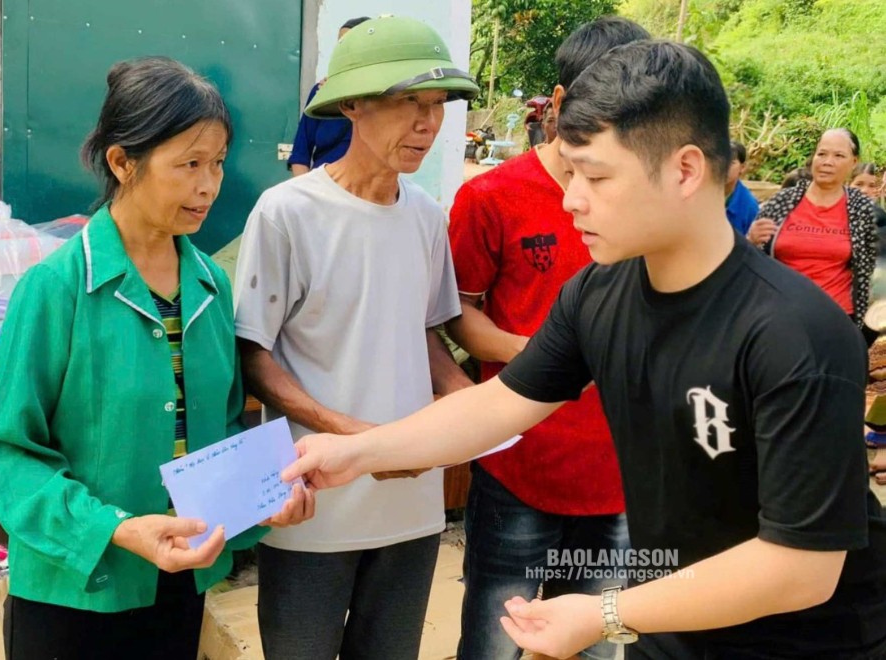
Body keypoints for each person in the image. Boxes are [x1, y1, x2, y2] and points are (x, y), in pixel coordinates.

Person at [281, 41, 886, 659]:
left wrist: (607, 611)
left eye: (596, 176)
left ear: (684, 170)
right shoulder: (600, 292)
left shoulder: (794, 334)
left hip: (809, 645)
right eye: (569, 173)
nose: (572, 198)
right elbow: (499, 404)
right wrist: (356, 451)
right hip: (671, 630)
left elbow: (802, 568)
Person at [0, 57, 312, 659]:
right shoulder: (56, 288)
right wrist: (119, 529)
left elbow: (222, 428)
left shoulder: (209, 286)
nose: (209, 185)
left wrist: (265, 498)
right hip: (77, 587)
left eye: (217, 163)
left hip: (180, 579)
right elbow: (9, 455)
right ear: (122, 162)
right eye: (188, 165)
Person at [234, 16, 478, 660]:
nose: (427, 124)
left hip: (412, 499)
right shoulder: (288, 212)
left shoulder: (426, 217)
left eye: (436, 106)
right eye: (407, 103)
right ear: (351, 105)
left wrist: (471, 406)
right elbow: (252, 353)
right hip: (315, 499)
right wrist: (355, 437)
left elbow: (421, 333)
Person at [446, 16, 650, 660]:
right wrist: (542, 357)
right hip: (518, 466)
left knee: (592, 645)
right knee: (494, 642)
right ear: (558, 103)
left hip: (619, 474)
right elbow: (459, 318)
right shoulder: (492, 197)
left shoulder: (646, 205)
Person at [747, 129, 878, 330]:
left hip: (837, 318)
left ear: (854, 162)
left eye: (838, 156)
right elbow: (750, 260)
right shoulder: (783, 201)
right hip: (779, 316)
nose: (827, 161)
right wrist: (750, 240)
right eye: (822, 153)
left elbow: (872, 269)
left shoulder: (861, 209)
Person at [288, 16, 370, 176]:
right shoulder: (321, 92)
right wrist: (308, 195)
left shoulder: (385, 97)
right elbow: (300, 154)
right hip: (322, 188)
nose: (342, 50)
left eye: (349, 43)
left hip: (364, 191)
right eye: (340, 43)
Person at [724, 140, 759, 235]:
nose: (724, 167)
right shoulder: (698, 194)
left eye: (731, 163)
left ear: (742, 167)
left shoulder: (749, 205)